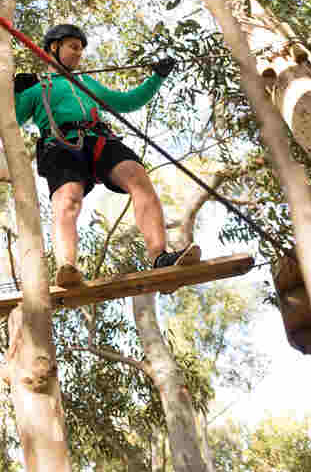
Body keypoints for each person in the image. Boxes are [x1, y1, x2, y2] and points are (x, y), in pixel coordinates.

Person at [14, 24, 200, 287]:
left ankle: (160, 256)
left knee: (137, 177)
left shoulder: (86, 82)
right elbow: (13, 119)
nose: (79, 54)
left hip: (99, 138)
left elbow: (127, 102)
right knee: (68, 200)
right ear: (54, 48)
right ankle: (67, 268)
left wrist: (156, 78)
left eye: (81, 49)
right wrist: (16, 92)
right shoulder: (36, 87)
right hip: (60, 145)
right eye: (73, 47)